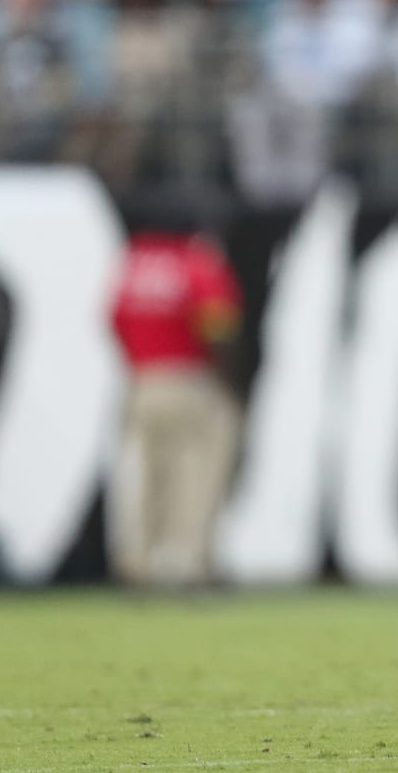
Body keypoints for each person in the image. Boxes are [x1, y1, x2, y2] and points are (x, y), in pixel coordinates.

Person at [107, 203, 244, 588]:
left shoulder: (133, 262)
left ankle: (137, 562)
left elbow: (112, 319)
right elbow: (219, 323)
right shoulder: (196, 261)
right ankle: (191, 562)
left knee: (145, 474)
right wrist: (229, 379)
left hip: (142, 378)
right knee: (200, 473)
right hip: (191, 377)